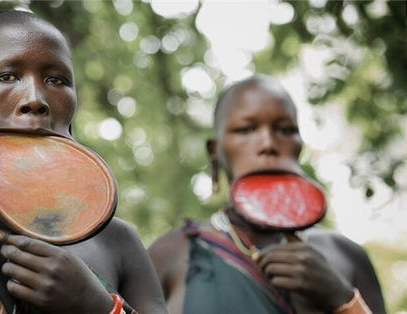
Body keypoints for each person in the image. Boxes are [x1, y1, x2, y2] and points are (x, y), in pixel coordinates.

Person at [0, 10, 167, 314]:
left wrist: (96, 304)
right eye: (7, 77)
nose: (36, 99)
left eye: (56, 80)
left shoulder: (115, 242)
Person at [148, 75, 386, 314]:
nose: (268, 143)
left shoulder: (346, 256)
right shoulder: (170, 254)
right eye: (245, 130)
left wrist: (341, 298)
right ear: (215, 152)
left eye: (285, 130)